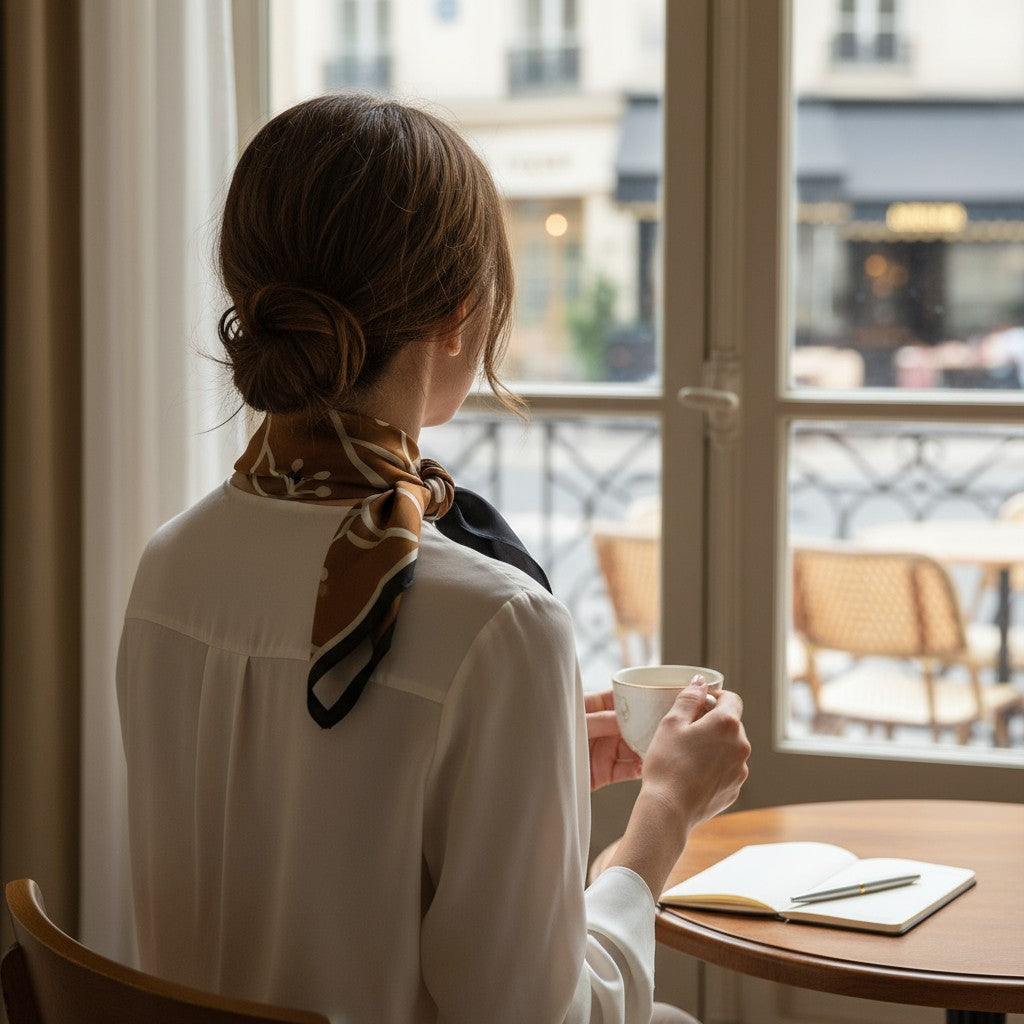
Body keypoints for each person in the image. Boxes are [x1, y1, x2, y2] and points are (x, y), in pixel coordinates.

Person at [116, 93, 751, 1024]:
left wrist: (531, 762)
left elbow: (297, 851)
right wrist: (658, 823)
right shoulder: (497, 624)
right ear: (459, 319)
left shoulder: (169, 569)